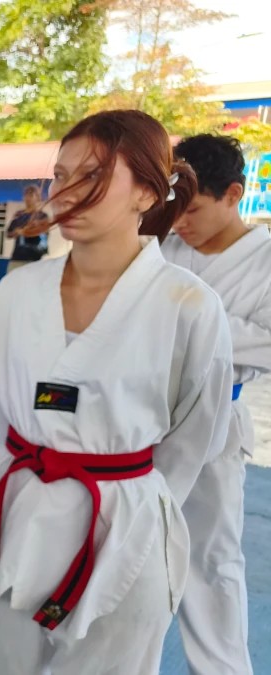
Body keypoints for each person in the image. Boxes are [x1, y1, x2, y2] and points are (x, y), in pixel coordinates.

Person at [0, 110, 234, 675]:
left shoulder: (189, 305)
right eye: (60, 174)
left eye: (94, 175)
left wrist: (131, 493)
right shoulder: (18, 292)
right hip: (20, 500)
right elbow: (14, 409)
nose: (67, 192)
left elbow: (195, 439)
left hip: (123, 520)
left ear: (146, 192)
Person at [164, 133, 268, 675]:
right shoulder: (163, 246)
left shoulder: (266, 259)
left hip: (215, 423)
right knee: (125, 549)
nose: (181, 223)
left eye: (195, 209)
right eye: (176, 209)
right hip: (143, 417)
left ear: (234, 194)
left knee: (212, 560)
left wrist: (194, 323)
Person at [6, 185, 53, 272]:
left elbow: (45, 233)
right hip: (17, 258)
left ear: (38, 198)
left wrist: (31, 229)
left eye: (31, 195)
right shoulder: (18, 215)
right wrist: (16, 232)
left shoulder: (42, 216)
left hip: (35, 259)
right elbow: (8, 234)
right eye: (26, 195)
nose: (28, 198)